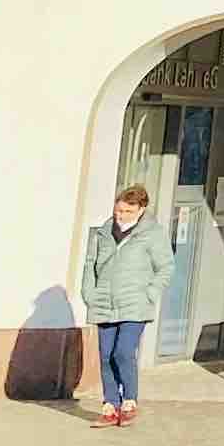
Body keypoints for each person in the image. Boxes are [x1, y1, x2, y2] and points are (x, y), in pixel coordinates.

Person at [81, 183, 164, 428]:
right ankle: (110, 406)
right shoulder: (102, 233)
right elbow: (90, 264)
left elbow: (165, 267)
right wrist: (89, 293)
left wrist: (150, 293)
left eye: (128, 211)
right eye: (118, 211)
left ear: (141, 210)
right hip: (104, 302)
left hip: (135, 304)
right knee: (106, 356)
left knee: (123, 352)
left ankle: (129, 401)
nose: (121, 216)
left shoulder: (152, 233)